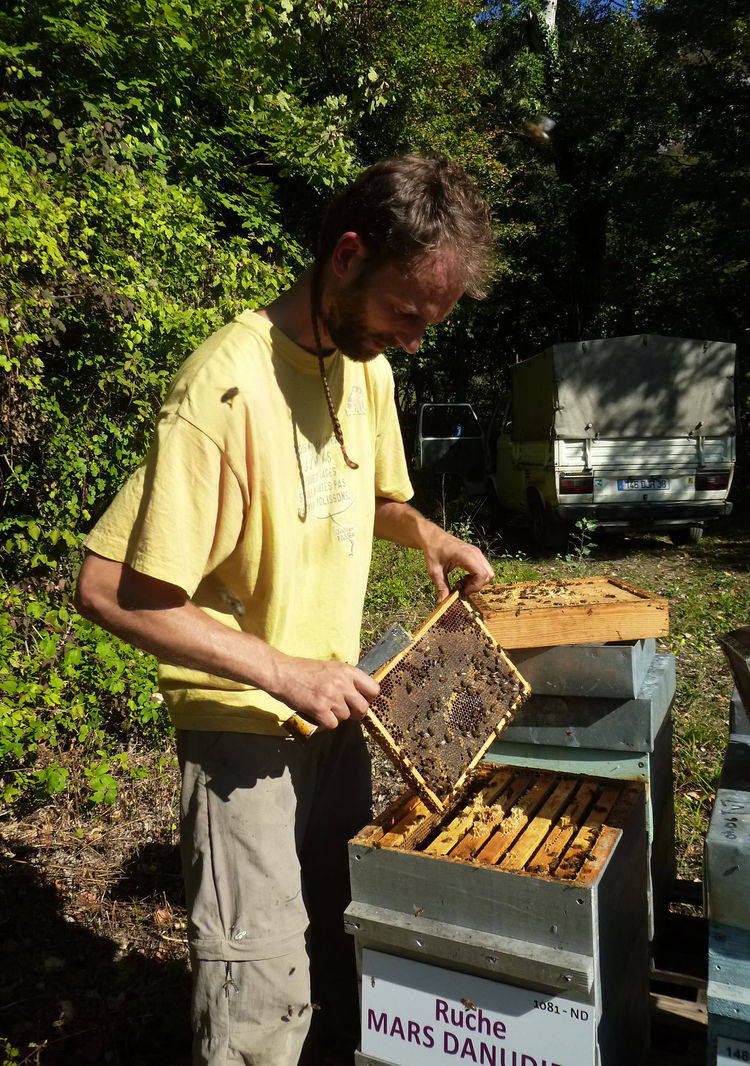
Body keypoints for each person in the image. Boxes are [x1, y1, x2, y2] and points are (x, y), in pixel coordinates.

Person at [74, 154, 496, 1066]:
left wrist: (428, 536)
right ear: (346, 256)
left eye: (431, 322)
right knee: (260, 997)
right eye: (405, 314)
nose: (414, 339)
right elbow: (110, 587)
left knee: (341, 956)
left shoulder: (364, 365)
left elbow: (370, 494)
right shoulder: (221, 393)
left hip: (337, 711)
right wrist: (282, 671)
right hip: (244, 734)